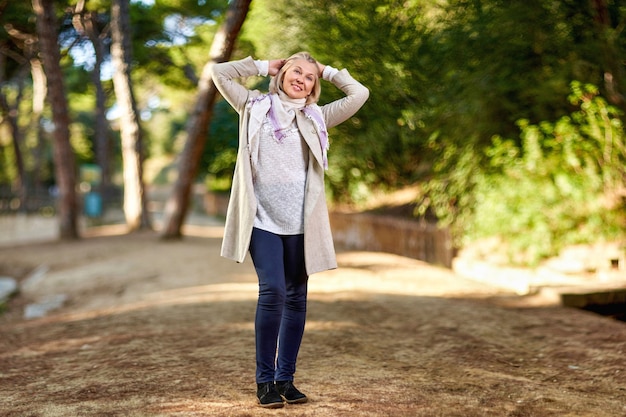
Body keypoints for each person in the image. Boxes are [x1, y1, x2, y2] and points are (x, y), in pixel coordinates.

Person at [211, 52, 369, 408]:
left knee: (297, 297)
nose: (302, 79)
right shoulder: (252, 104)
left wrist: (329, 70)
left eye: (310, 77)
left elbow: (359, 95)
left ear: (314, 86)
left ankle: (286, 379)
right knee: (273, 292)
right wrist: (263, 65)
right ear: (281, 74)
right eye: (296, 71)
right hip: (262, 219)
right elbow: (219, 73)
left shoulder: (318, 117)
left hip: (301, 224)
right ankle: (264, 381)